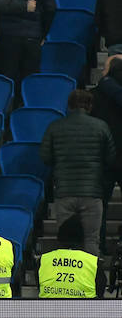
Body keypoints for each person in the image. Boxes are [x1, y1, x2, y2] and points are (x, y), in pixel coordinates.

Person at [41, 89, 114, 257]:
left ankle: (67, 280)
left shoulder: (55, 127)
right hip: (92, 192)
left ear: (70, 105)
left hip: (65, 191)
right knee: (91, 240)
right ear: (90, 106)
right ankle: (90, 280)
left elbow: (45, 157)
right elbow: (111, 158)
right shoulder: (101, 126)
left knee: (66, 241)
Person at [37, 215, 103, 298]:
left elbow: (39, 288)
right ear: (82, 239)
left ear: (59, 237)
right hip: (84, 310)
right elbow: (101, 297)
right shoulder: (94, 263)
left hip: (48, 310)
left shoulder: (43, 260)